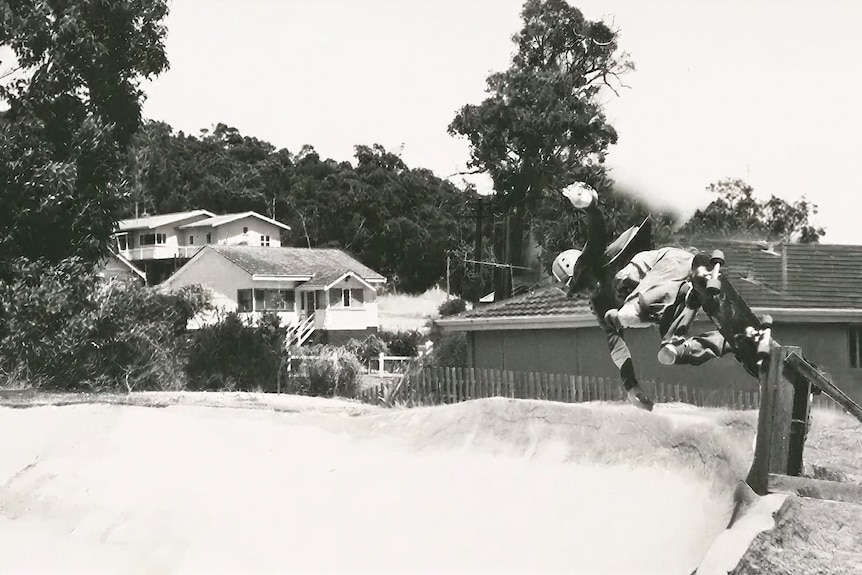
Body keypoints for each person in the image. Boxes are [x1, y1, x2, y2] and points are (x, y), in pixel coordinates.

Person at [551, 183, 731, 411]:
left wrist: (590, 207)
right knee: (671, 345)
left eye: (582, 283)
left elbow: (596, 232)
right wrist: (631, 386)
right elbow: (617, 346)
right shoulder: (599, 303)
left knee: (625, 302)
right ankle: (723, 341)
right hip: (675, 286)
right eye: (580, 290)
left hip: (668, 263)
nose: (588, 290)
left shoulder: (595, 260)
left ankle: (663, 300)